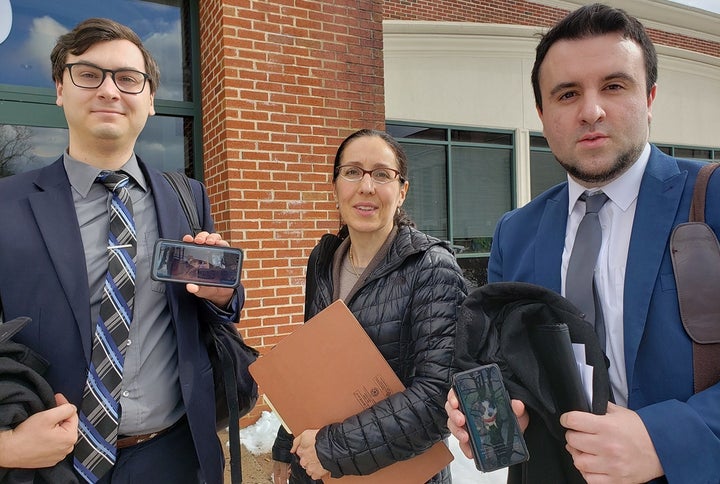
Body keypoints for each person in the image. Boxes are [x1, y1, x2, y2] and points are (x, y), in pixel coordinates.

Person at [446, 3, 720, 483]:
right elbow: (511, 364)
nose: (591, 111)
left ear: (650, 97)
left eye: (614, 86)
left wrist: (667, 437)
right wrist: (498, 411)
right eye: (567, 94)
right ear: (542, 113)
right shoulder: (517, 230)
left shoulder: (712, 201)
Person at [0, 18, 244, 484]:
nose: (110, 91)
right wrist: (6, 446)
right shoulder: (6, 206)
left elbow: (223, 309)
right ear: (59, 88)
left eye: (128, 79)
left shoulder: (187, 196)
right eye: (89, 74)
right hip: (48, 465)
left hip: (172, 456)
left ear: (149, 100)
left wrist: (221, 295)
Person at [271, 129, 468, 483]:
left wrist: (331, 450)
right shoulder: (323, 260)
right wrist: (287, 444)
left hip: (401, 473)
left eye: (381, 174)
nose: (366, 187)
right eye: (352, 172)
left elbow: (437, 399)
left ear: (402, 191)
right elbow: (311, 363)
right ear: (335, 187)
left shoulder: (430, 267)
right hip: (322, 471)